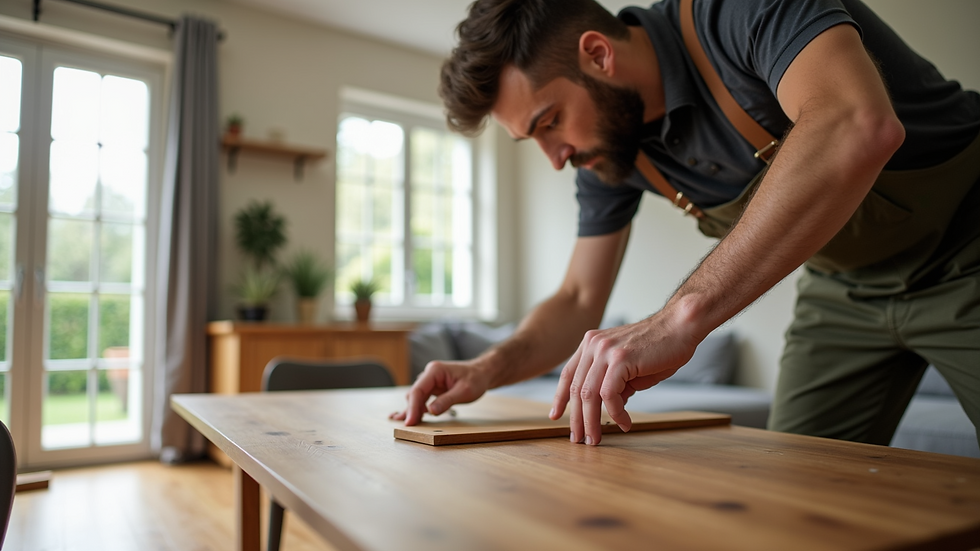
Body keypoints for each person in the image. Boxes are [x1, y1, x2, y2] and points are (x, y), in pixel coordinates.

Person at [391, 0, 980, 447]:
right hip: (845, 292)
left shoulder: (736, 13)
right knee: (798, 493)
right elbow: (576, 297)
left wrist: (681, 317)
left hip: (968, 241)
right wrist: (486, 367)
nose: (555, 157)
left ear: (598, 54)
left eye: (550, 122)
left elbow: (855, 122)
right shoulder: (611, 154)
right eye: (532, 140)